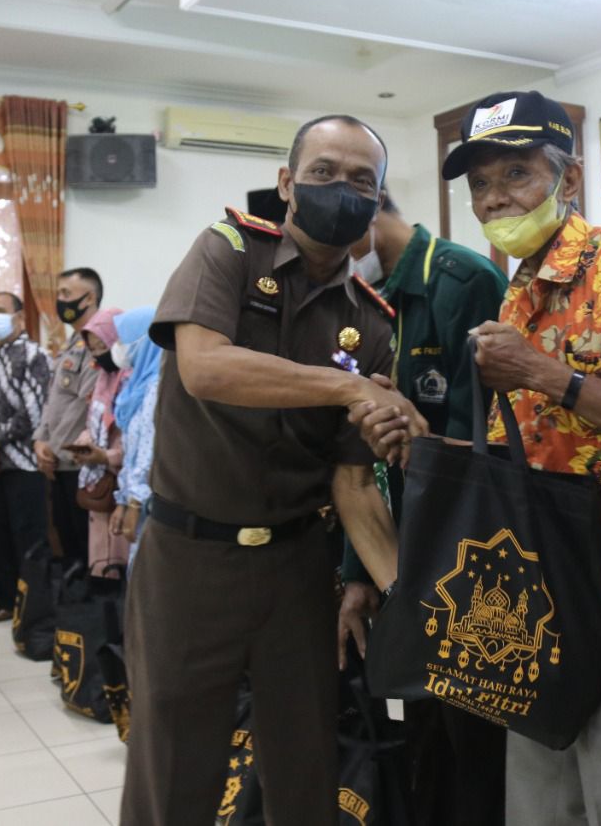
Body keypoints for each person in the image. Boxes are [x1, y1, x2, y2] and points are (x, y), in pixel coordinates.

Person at [358, 90, 601, 825]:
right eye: (480, 184)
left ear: (569, 179)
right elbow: (534, 454)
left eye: (515, 175)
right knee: (542, 808)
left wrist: (549, 373)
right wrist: (421, 442)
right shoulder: (517, 294)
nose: (494, 199)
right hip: (532, 599)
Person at [121, 114, 425, 826]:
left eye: (362, 181)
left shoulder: (372, 323)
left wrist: (407, 597)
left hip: (295, 565)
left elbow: (352, 486)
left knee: (305, 767)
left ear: (378, 200)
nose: (341, 190)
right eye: (323, 173)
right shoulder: (226, 250)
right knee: (175, 769)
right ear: (288, 183)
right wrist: (348, 388)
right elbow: (203, 367)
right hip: (188, 558)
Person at [338, 186, 509, 825]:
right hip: (397, 554)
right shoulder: (358, 302)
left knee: (476, 753)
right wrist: (359, 577)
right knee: (422, 744)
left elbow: (495, 453)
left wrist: (420, 439)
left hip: (471, 566)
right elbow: (359, 463)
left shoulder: (463, 282)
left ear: (370, 209)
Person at [0, 292, 53, 623]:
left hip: (24, 463)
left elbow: (34, 410)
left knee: (29, 538)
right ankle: (7, 602)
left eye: (0, 311)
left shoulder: (36, 355)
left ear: (19, 318)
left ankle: (36, 608)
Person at [33, 268, 103, 570]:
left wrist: (56, 448)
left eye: (66, 294)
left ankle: (93, 615)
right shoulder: (73, 342)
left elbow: (88, 409)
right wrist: (40, 440)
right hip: (59, 462)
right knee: (70, 547)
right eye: (58, 293)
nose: (59, 300)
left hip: (81, 464)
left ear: (89, 297)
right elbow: (55, 402)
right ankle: (77, 613)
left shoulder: (100, 342)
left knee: (90, 551)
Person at [70, 307, 129, 579]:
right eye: (92, 348)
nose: (96, 354)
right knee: (100, 561)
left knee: (120, 560)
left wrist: (106, 457)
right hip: (98, 483)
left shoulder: (132, 382)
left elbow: (135, 439)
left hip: (122, 485)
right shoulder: (103, 378)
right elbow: (92, 421)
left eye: (101, 346)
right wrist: (83, 446)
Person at [107, 306, 158, 566]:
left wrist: (135, 503)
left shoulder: (156, 387)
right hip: (136, 498)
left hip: (151, 504)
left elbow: (150, 453)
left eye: (122, 339)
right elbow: (131, 453)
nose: (117, 345)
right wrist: (122, 500)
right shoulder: (135, 384)